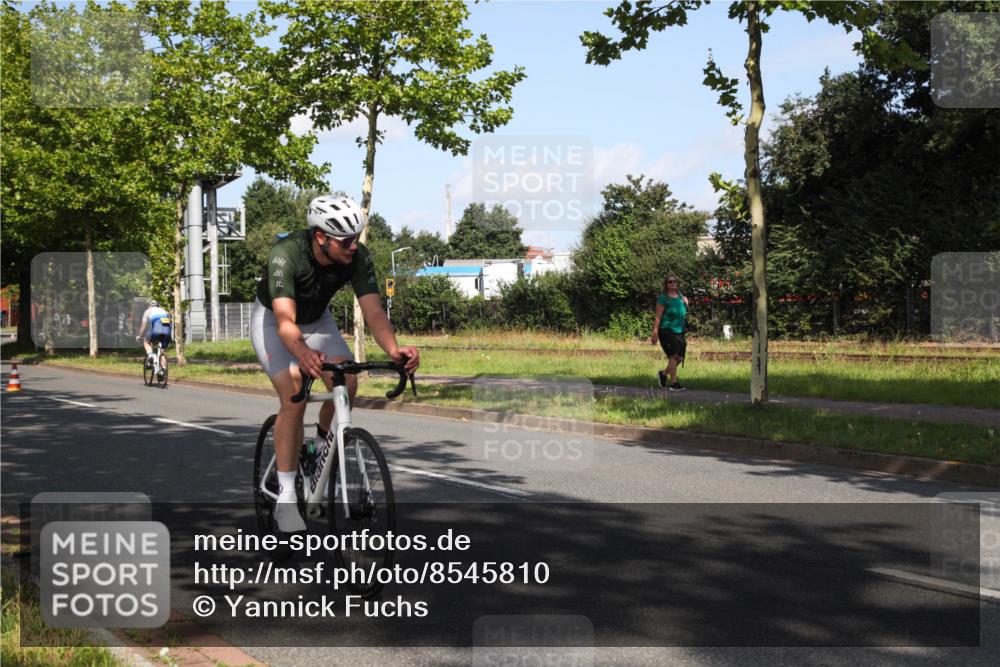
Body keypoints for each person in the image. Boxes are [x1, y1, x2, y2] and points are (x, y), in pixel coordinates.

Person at [250, 194, 419, 534]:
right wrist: (301, 353)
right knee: (294, 390)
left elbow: (373, 311)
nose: (354, 245)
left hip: (318, 321)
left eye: (357, 237)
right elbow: (285, 320)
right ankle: (285, 496)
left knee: (347, 381)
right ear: (320, 238)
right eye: (346, 240)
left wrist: (394, 350)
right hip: (274, 321)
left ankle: (320, 453)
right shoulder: (285, 255)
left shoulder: (357, 256)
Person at [650, 275, 689, 391]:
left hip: (679, 331)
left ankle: (663, 373)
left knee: (680, 358)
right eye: (670, 282)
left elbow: (683, 312)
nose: (672, 283)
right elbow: (658, 316)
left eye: (674, 281)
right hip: (666, 330)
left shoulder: (681, 296)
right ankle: (674, 383)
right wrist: (655, 332)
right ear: (666, 284)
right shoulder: (663, 298)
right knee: (674, 355)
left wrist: (686, 303)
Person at [137, 300, 171, 378]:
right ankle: (163, 370)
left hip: (156, 330)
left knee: (146, 341)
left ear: (149, 305)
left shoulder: (147, 311)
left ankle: (152, 356)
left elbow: (143, 325)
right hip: (167, 330)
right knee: (162, 350)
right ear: (158, 305)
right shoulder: (164, 311)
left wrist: (139, 335)